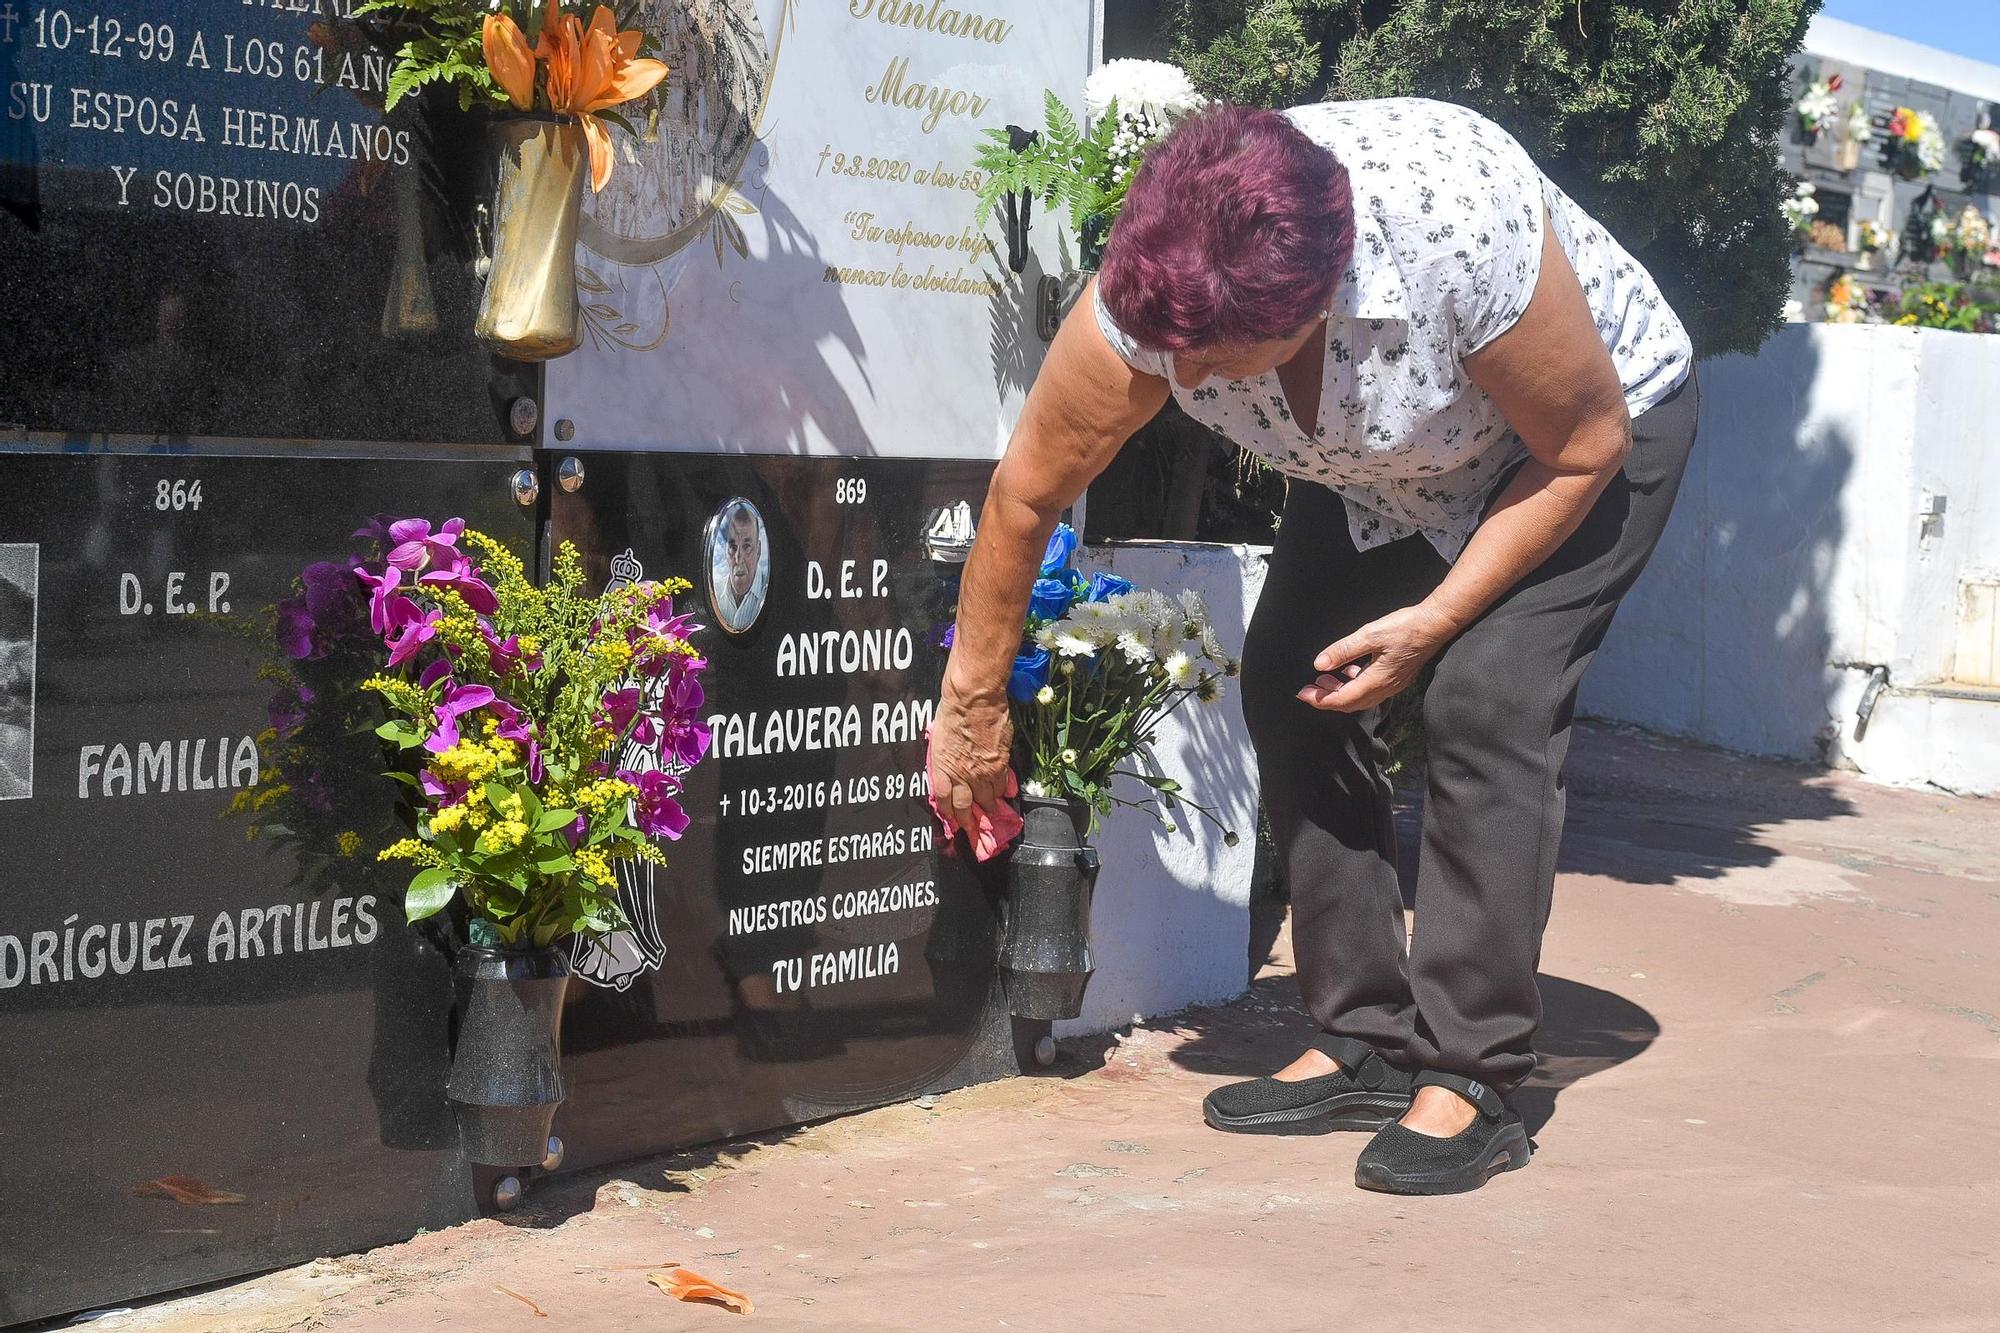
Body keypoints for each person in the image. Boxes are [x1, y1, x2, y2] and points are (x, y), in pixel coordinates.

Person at [928, 99, 1696, 1196]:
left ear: (1320, 298)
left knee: (1481, 699)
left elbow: (1579, 449)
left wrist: (1434, 622)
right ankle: (1363, 1039)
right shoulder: (1162, 280)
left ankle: (1471, 1072)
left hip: (1580, 442)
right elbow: (1023, 497)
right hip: (1384, 469)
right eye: (1169, 354)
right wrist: (971, 702)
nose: (1183, 385)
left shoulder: (1453, 228)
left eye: (1216, 359)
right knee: (1296, 680)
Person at [712, 503, 766, 632]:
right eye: (732, 547)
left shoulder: (767, 591)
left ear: (758, 551)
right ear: (725, 550)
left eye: (747, 546)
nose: (738, 559)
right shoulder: (716, 591)